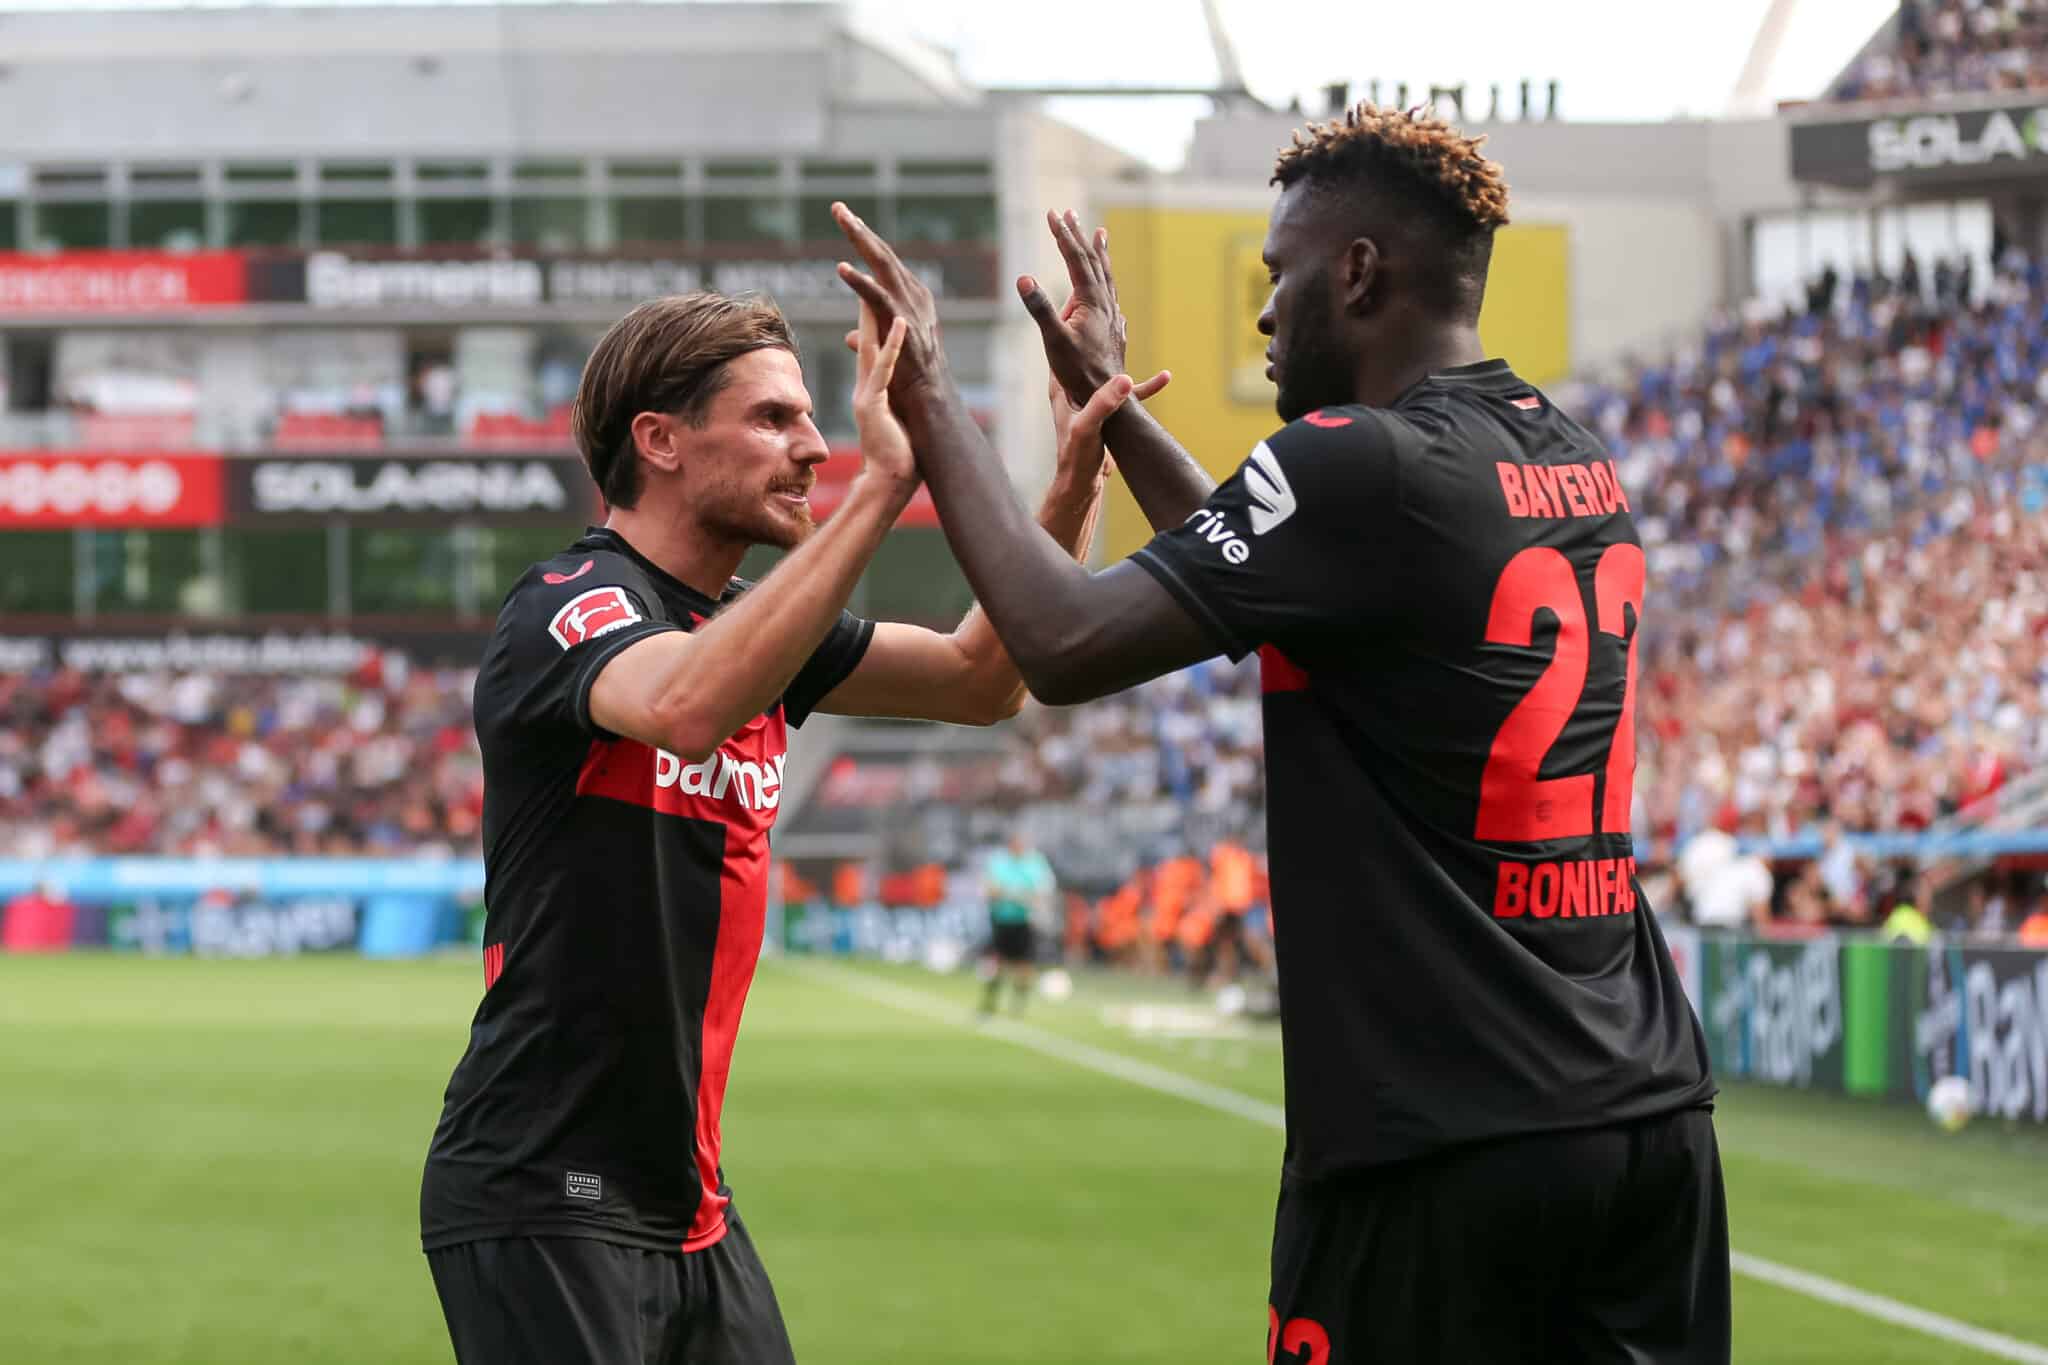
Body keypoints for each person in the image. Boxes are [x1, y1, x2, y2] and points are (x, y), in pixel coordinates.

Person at [832, 100, 1724, 1362]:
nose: (1262, 312)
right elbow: (1281, 585)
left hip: (1442, 1140)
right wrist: (1109, 404)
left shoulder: (1354, 460)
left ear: (1356, 272)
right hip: (1645, 1119)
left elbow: (1064, 641)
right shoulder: (1559, 450)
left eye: (1277, 274)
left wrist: (930, 401)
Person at [419, 290, 1147, 1365]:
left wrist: (1076, 465)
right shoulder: (569, 604)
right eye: (772, 419)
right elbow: (684, 708)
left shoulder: (752, 628)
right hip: (544, 1188)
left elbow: (983, 677)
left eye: (811, 419)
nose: (813, 447)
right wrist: (885, 483)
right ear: (658, 441)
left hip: (689, 1203)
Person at [978, 829, 1056, 1013]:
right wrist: (1016, 894)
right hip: (1001, 919)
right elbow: (990, 890)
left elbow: (1043, 891)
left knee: (1024, 964)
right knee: (997, 962)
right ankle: (990, 1002)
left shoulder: (1036, 862)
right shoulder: (998, 862)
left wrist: (1014, 894)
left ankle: (1018, 1004)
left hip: (1024, 921)